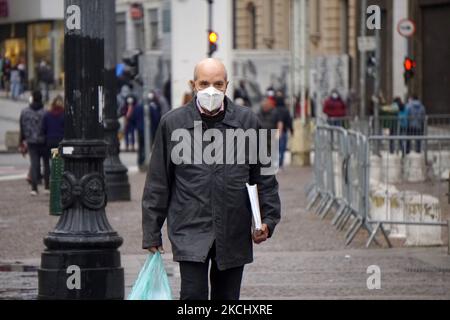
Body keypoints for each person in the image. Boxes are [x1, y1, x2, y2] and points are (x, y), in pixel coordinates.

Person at [142, 58, 281, 301]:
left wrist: (268, 219)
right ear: (193, 84)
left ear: (227, 85)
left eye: (218, 84)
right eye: (204, 83)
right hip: (190, 228)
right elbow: (158, 182)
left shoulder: (248, 122)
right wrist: (151, 231)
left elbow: (265, 177)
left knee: (228, 299)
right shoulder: (172, 124)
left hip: (234, 229)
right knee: (193, 296)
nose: (211, 90)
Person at [19, 91, 49, 196]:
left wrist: (22, 141)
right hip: (44, 140)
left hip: (31, 140)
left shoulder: (25, 112)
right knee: (46, 164)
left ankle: (34, 188)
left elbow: (22, 127)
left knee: (34, 164)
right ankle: (47, 186)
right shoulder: (45, 112)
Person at [275, 93, 293, 169]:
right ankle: (281, 162)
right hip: (284, 131)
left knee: (275, 147)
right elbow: (289, 121)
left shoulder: (274, 110)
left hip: (275, 131)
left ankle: (276, 161)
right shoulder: (286, 111)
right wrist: (291, 129)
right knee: (282, 148)